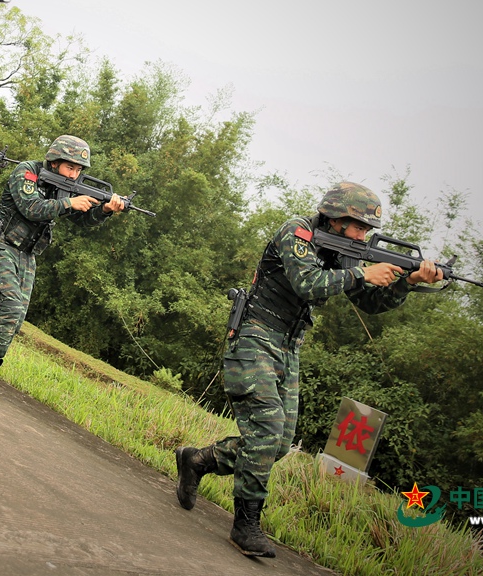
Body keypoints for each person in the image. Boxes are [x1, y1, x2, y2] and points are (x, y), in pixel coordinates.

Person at [172, 182, 445, 558]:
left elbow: (371, 302)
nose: (364, 235)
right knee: (266, 433)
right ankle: (246, 524)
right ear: (335, 217)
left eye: (367, 229)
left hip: (288, 347)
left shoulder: (346, 251)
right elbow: (308, 284)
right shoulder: (296, 231)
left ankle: (198, 460)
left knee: (278, 443)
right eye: (359, 226)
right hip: (254, 336)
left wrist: (408, 281)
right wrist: (363, 273)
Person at [0, 135, 125, 400]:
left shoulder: (64, 188)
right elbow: (32, 208)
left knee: (13, 320)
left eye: (78, 170)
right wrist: (68, 202)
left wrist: (105, 210)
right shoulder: (27, 172)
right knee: (10, 309)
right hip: (3, 247)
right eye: (69, 168)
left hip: (28, 257)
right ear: (53, 162)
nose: (74, 175)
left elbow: (82, 219)